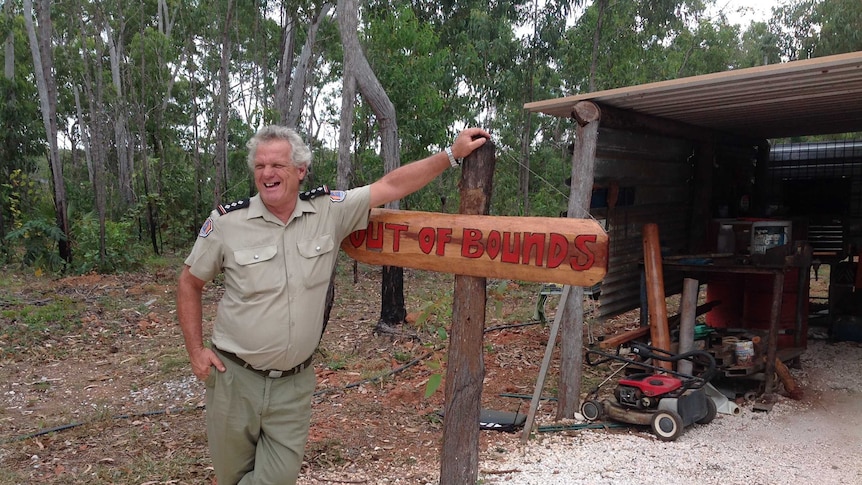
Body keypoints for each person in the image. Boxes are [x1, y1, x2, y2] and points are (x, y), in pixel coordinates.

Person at [176, 125, 490, 485]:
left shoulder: (328, 211)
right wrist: (196, 351)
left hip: (292, 386)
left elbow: (390, 186)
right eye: (260, 165)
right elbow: (190, 281)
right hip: (234, 379)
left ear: (300, 170)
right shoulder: (227, 223)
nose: (267, 173)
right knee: (231, 478)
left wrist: (451, 156)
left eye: (277, 164)